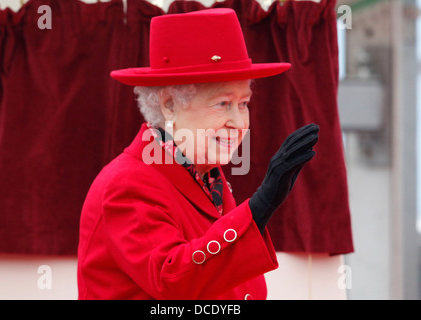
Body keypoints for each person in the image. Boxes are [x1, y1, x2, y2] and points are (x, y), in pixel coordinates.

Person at [77, 8, 319, 300]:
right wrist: (260, 207)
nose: (240, 123)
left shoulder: (207, 175)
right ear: (169, 106)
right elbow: (172, 279)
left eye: (243, 104)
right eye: (222, 104)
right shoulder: (127, 183)